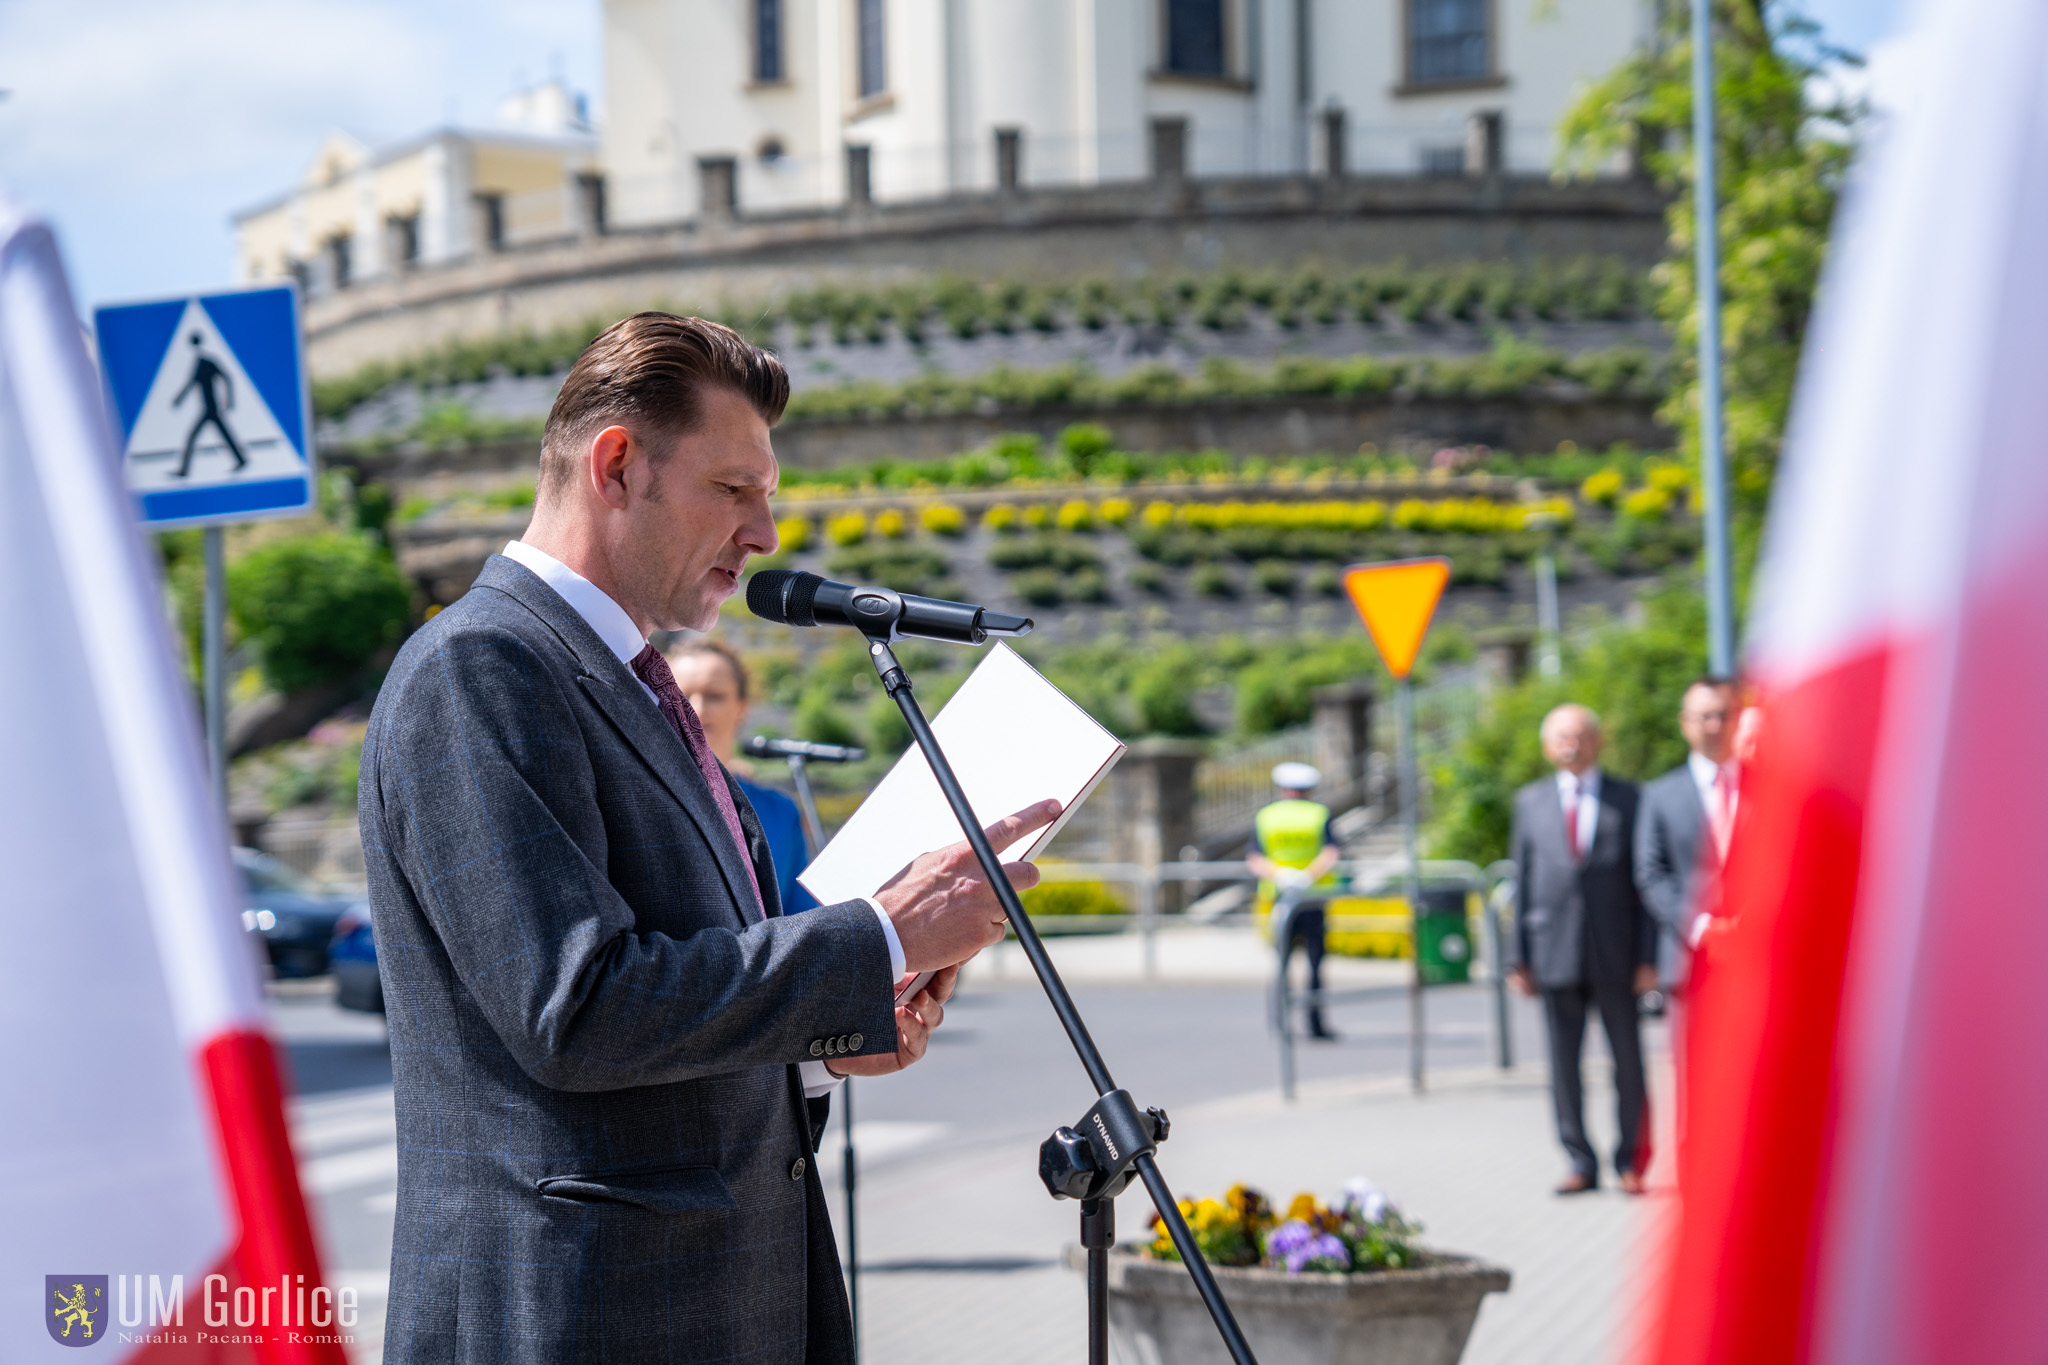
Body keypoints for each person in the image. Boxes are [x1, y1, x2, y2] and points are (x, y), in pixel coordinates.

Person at [358, 312, 1058, 1365]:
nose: (766, 533)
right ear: (616, 464)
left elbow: (672, 1000)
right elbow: (577, 1008)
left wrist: (825, 1046)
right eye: (733, 490)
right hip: (581, 1317)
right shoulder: (482, 668)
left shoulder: (621, 681)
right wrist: (879, 939)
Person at [1508, 703, 1657, 1195]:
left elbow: (1645, 882)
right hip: (1554, 954)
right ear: (1548, 747)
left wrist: (1648, 957)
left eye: (1579, 736)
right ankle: (1579, 1161)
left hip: (1617, 954)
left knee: (1628, 1063)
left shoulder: (1630, 799)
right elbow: (1522, 880)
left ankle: (1631, 1160)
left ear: (1598, 741)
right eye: (1561, 738)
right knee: (1563, 1066)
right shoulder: (1530, 802)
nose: (1571, 745)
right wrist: (1518, 956)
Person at [667, 636, 819, 912]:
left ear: (742, 709)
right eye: (681, 696)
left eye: (715, 696)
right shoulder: (637, 802)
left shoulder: (780, 812)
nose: (697, 709)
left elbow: (801, 918)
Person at [1248, 761, 1343, 1040]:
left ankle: (1280, 1024)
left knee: (1283, 964)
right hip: (1312, 896)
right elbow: (1332, 853)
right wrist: (1308, 876)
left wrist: (1280, 875)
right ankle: (1315, 1024)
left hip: (1282, 897)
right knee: (1314, 964)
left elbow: (1254, 859)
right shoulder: (1319, 813)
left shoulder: (1267, 815)